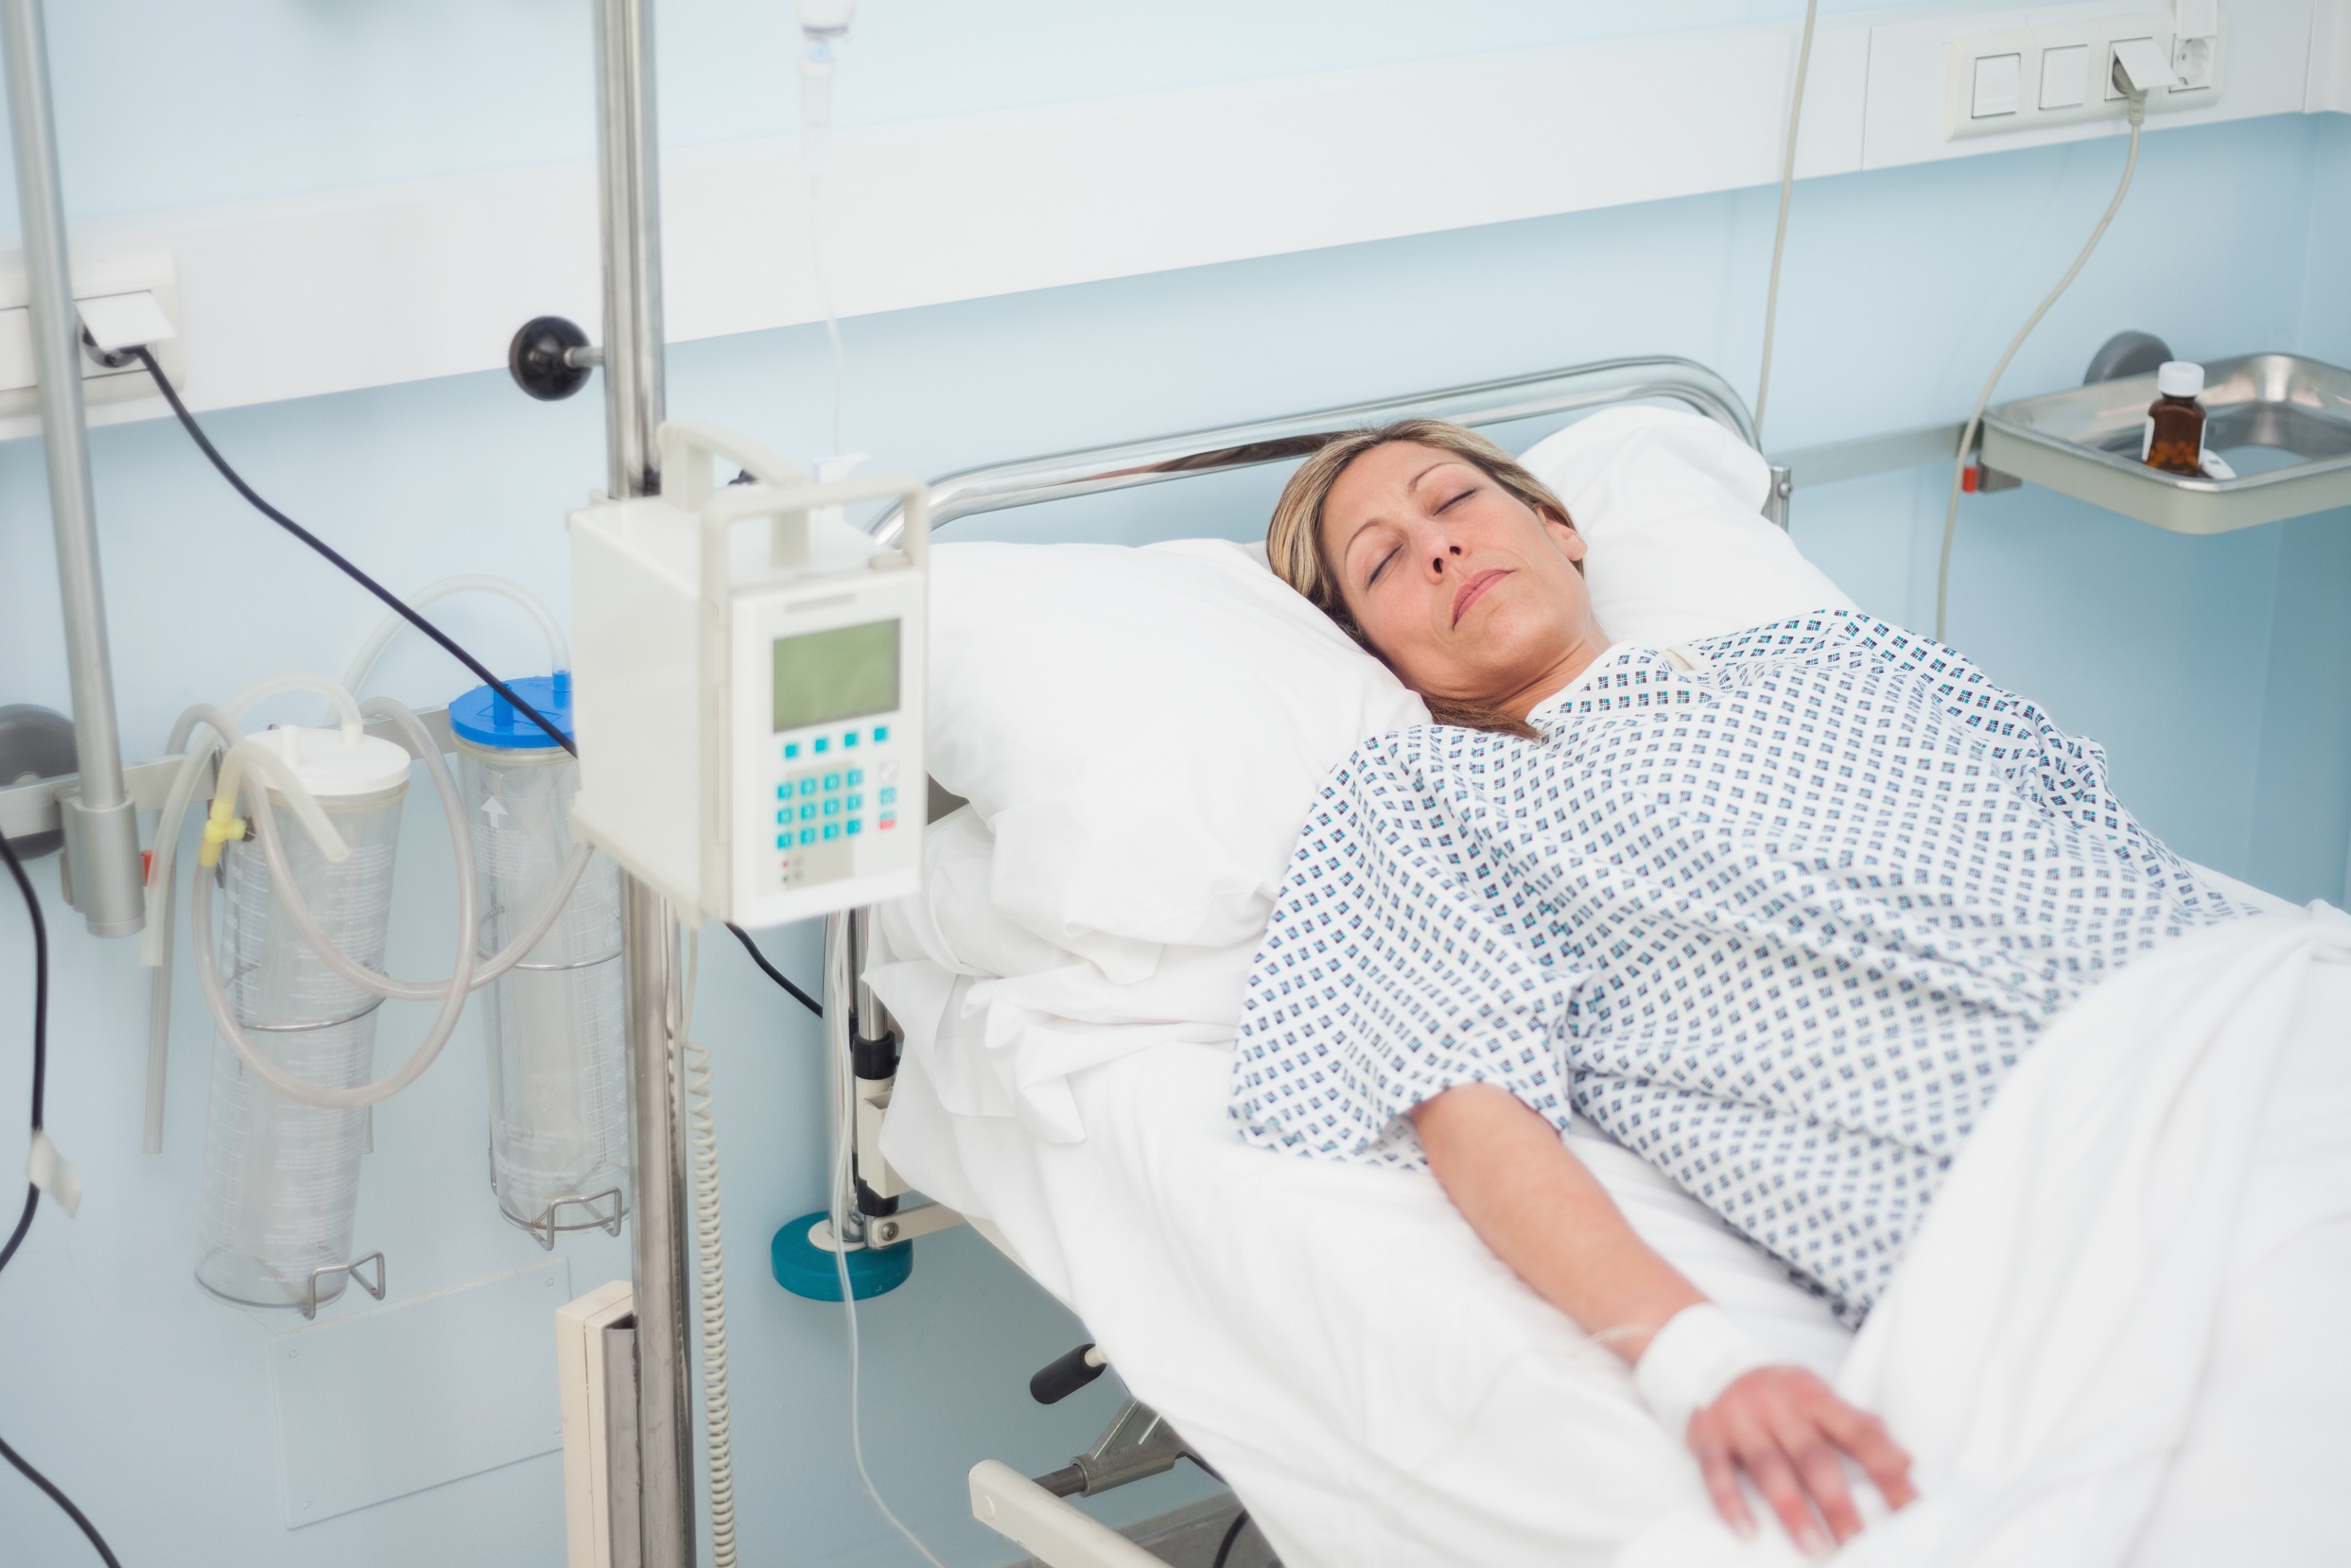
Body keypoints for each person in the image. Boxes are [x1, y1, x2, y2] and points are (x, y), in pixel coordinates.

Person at [1230, 419, 2255, 1554]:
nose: (1434, 548)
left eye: (1455, 501)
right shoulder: (1425, 793)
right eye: (1379, 561)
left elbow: (2099, 833)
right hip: (2060, 1177)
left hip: (2252, 1011)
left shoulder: (1836, 655)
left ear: (1559, 529)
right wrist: (1694, 1357)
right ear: (1376, 655)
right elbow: (1465, 1099)